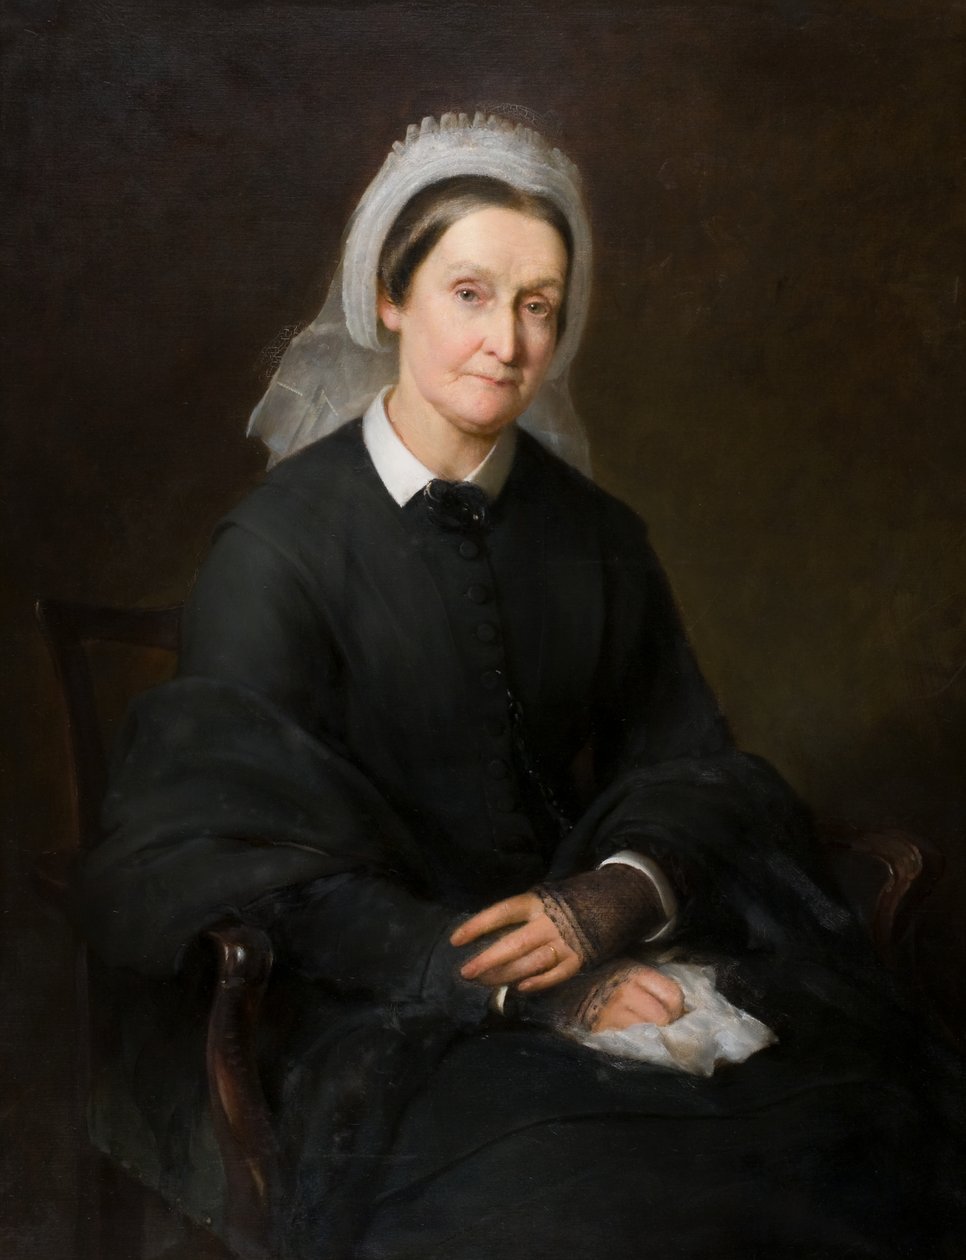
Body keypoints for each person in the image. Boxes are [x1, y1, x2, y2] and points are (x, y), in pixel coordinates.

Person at [79, 113, 962, 1260]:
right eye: (470, 294)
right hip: (377, 1007)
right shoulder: (276, 549)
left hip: (627, 958)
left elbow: (694, 766)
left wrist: (618, 898)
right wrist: (530, 986)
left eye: (538, 304)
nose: (506, 341)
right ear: (390, 298)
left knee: (881, 1128)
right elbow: (244, 859)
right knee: (596, 1205)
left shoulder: (598, 537)